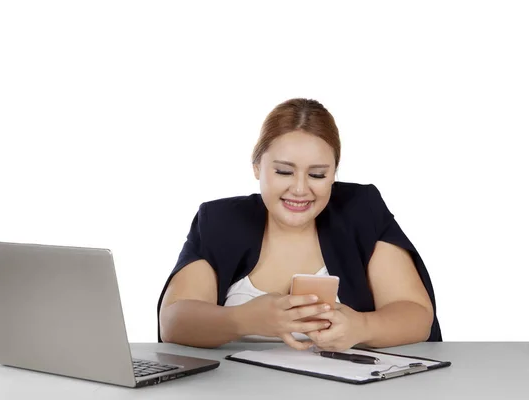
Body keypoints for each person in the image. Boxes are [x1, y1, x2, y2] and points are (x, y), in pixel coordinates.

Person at [157, 98, 442, 352]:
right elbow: (174, 322)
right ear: (257, 167)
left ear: (333, 174)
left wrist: (362, 327)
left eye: (317, 175)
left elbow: (416, 315)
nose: (300, 189)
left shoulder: (360, 210)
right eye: (283, 171)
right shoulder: (220, 220)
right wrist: (244, 319)